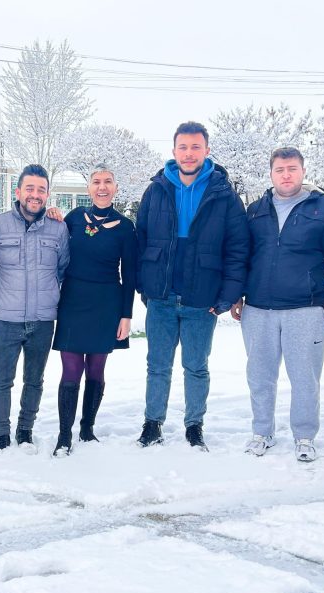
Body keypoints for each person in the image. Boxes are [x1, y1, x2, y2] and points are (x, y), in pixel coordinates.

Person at [231, 147, 324, 462]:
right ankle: (262, 432)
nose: (286, 175)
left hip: (306, 308)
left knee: (304, 377)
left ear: (302, 171)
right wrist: (237, 294)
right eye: (280, 169)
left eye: (293, 169)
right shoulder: (256, 210)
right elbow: (243, 256)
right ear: (271, 174)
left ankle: (304, 436)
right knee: (259, 375)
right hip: (258, 308)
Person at [135, 121, 249, 450]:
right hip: (162, 297)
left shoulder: (224, 195)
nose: (189, 153)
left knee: (196, 366)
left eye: (195, 147)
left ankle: (194, 424)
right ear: (173, 151)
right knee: (157, 365)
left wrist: (227, 296)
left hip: (203, 299)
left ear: (206, 150)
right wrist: (146, 286)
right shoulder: (156, 189)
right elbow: (141, 240)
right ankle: (152, 422)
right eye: (183, 147)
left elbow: (237, 248)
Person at [0, 164, 70, 451]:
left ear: (47, 194)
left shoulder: (58, 229)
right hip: (5, 319)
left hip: (43, 320)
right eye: (29, 188)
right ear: (18, 192)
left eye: (41, 190)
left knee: (34, 380)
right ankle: (1, 434)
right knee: (1, 381)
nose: (35, 194)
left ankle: (25, 430)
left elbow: (63, 269)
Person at [50, 165, 137, 456]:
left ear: (115, 187)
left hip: (107, 304)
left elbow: (130, 275)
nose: (102, 187)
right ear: (88, 188)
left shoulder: (126, 228)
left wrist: (126, 315)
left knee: (96, 369)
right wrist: (52, 215)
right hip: (73, 300)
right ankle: (64, 435)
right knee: (71, 368)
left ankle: (87, 428)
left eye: (108, 181)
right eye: (97, 182)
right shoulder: (73, 219)